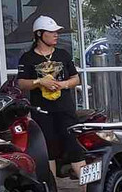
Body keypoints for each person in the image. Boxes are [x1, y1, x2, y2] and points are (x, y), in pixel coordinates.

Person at [16, 16, 86, 177]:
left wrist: (63, 84)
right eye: (52, 32)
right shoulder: (28, 58)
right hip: (42, 111)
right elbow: (21, 83)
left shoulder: (63, 54)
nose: (56, 35)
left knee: (73, 144)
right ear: (39, 34)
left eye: (57, 32)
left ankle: (87, 186)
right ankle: (51, 189)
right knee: (48, 148)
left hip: (65, 109)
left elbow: (76, 79)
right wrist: (40, 81)